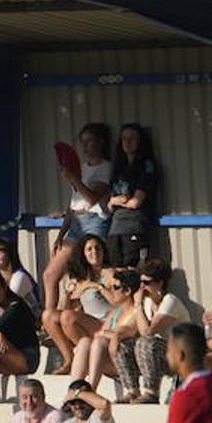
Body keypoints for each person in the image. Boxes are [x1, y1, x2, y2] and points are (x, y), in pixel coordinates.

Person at [42, 124, 114, 332]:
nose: (85, 147)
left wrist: (74, 178)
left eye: (89, 142)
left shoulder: (105, 168)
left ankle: (90, 320)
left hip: (94, 221)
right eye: (83, 143)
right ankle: (49, 320)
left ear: (100, 142)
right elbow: (74, 203)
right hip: (76, 222)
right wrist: (61, 234)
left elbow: (92, 198)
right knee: (50, 274)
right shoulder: (81, 167)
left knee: (89, 272)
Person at [114, 258, 187, 403]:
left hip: (179, 357)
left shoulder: (170, 301)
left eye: (146, 283)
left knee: (146, 343)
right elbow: (134, 329)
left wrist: (138, 304)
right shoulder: (147, 303)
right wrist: (115, 337)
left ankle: (151, 392)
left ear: (160, 283)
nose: (142, 287)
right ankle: (132, 391)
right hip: (158, 355)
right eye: (141, 282)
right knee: (123, 346)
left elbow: (148, 332)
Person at [44, 233, 112, 375]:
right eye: (89, 249)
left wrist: (97, 287)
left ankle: (87, 356)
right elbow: (64, 309)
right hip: (88, 323)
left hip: (107, 323)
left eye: (97, 248)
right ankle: (70, 359)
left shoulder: (110, 274)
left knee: (68, 317)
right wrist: (67, 294)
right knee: (48, 316)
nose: (94, 252)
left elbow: (118, 303)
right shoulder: (81, 278)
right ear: (84, 254)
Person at [70, 267, 139, 388]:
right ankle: (73, 390)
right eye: (110, 286)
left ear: (128, 291)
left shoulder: (136, 312)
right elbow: (101, 333)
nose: (111, 290)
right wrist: (110, 335)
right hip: (110, 358)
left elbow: (122, 333)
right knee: (85, 342)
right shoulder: (115, 312)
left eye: (115, 287)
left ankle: (91, 389)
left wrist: (111, 335)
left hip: (126, 362)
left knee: (99, 343)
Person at [106, 123, 160, 267]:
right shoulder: (118, 168)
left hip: (135, 226)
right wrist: (116, 200)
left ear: (140, 141)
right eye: (124, 139)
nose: (127, 142)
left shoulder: (147, 165)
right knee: (116, 273)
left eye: (132, 138)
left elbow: (135, 202)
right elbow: (109, 205)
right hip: (115, 228)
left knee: (133, 271)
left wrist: (116, 201)